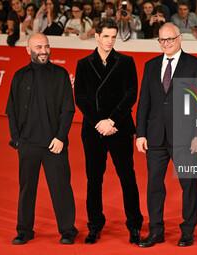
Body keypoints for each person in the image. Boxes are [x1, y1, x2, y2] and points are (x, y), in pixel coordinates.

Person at [136, 22, 197, 248]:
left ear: (180, 38)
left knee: (189, 184)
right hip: (155, 137)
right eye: (162, 40)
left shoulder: (196, 65)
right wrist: (140, 134)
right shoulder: (150, 65)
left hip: (186, 138)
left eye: (170, 39)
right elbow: (144, 102)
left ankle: (188, 230)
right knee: (154, 185)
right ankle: (156, 230)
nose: (166, 44)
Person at [74, 18, 143, 245]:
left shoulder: (126, 61)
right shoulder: (83, 64)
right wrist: (99, 123)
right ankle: (94, 225)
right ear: (97, 36)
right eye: (106, 36)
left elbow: (131, 94)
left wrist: (111, 120)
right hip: (94, 130)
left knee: (127, 177)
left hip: (119, 128)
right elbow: (80, 98)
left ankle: (134, 225)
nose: (110, 40)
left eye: (114, 36)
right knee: (94, 179)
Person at [5, 32, 78, 245]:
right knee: (27, 189)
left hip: (54, 144)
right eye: (38, 47)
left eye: (46, 46)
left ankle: (67, 230)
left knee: (61, 188)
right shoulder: (19, 76)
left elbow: (67, 109)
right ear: (28, 50)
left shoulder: (60, 74)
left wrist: (61, 137)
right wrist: (16, 138)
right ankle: (24, 230)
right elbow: (12, 110)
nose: (43, 51)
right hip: (27, 144)